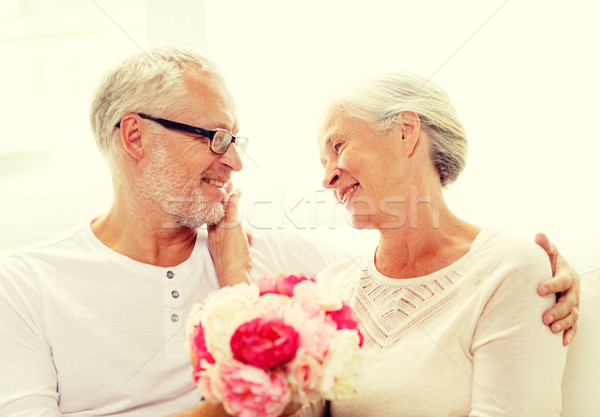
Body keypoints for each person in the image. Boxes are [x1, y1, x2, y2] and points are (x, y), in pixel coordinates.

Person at [0, 46, 577, 417]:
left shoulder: (290, 266)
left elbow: (419, 266)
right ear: (134, 137)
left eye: (236, 141)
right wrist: (236, 376)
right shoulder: (25, 285)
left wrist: (546, 271)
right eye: (216, 138)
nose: (235, 163)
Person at [308, 72, 573, 415]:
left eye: (338, 147)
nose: (327, 178)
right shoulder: (329, 288)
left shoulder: (511, 268)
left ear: (405, 131)